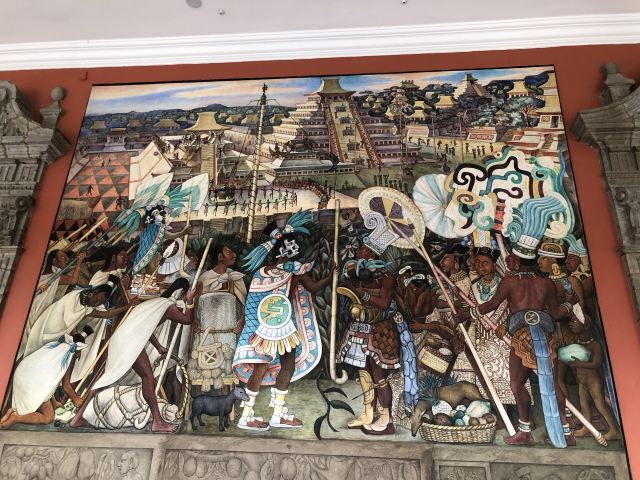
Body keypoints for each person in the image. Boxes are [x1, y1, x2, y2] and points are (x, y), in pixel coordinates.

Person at [233, 211, 332, 431]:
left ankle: (276, 414)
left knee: (282, 365)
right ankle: (247, 416)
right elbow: (312, 288)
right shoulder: (289, 272)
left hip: (279, 327)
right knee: (264, 368)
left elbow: (258, 303)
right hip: (268, 327)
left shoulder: (264, 272)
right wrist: (330, 276)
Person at [470, 253, 576, 447]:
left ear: (519, 261)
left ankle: (525, 432)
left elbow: (491, 305)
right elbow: (555, 313)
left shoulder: (510, 282)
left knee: (517, 384)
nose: (507, 262)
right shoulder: (546, 283)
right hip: (544, 337)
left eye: (511, 259)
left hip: (522, 337)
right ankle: (566, 432)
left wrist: (470, 311)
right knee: (552, 385)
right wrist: (569, 304)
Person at [71, 278, 196, 433]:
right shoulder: (169, 306)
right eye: (185, 295)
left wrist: (158, 347)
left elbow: (145, 326)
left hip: (122, 338)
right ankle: (158, 422)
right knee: (147, 378)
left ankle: (78, 418)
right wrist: (190, 301)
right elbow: (187, 320)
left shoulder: (157, 303)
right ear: (182, 293)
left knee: (107, 378)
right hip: (130, 340)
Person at [1, 326, 94, 429]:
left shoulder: (55, 346)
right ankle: (15, 417)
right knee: (48, 417)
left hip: (22, 376)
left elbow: (48, 379)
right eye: (79, 351)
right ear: (77, 349)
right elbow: (66, 386)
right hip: (32, 383)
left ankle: (12, 412)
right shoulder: (69, 355)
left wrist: (54, 403)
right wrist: (75, 399)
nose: (78, 354)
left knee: (37, 403)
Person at [565, 316, 621, 441]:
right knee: (584, 406)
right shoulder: (577, 344)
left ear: (585, 326)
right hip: (582, 381)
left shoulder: (595, 345)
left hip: (593, 381)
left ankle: (614, 430)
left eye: (575, 321)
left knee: (600, 405)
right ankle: (587, 427)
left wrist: (580, 364)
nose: (571, 324)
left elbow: (596, 363)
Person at [23, 249, 86, 346]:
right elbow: (73, 280)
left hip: (40, 309)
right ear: (54, 260)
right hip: (34, 309)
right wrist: (78, 263)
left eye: (66, 257)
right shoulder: (50, 276)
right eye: (62, 257)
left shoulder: (55, 275)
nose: (66, 259)